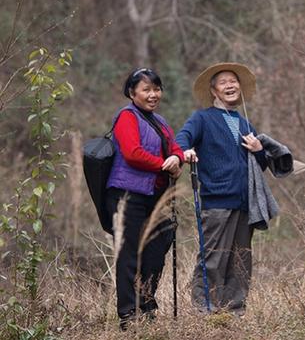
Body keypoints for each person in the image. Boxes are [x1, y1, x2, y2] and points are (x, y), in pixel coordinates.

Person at [176, 62, 268, 315]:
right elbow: (182, 138)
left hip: (244, 202)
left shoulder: (246, 125)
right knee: (214, 257)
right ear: (214, 91)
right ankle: (204, 309)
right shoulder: (202, 118)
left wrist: (260, 151)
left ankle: (234, 310)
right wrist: (186, 151)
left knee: (241, 259)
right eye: (223, 82)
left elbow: (261, 165)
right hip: (216, 200)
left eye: (233, 81)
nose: (230, 85)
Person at [105, 68, 184, 329]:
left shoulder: (160, 122)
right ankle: (129, 315)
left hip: (156, 196)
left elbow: (175, 148)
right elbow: (133, 153)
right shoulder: (127, 117)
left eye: (157, 89)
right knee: (128, 254)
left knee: (155, 252)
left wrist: (178, 158)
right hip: (128, 194)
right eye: (146, 90)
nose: (153, 95)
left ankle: (147, 308)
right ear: (132, 93)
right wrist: (165, 164)